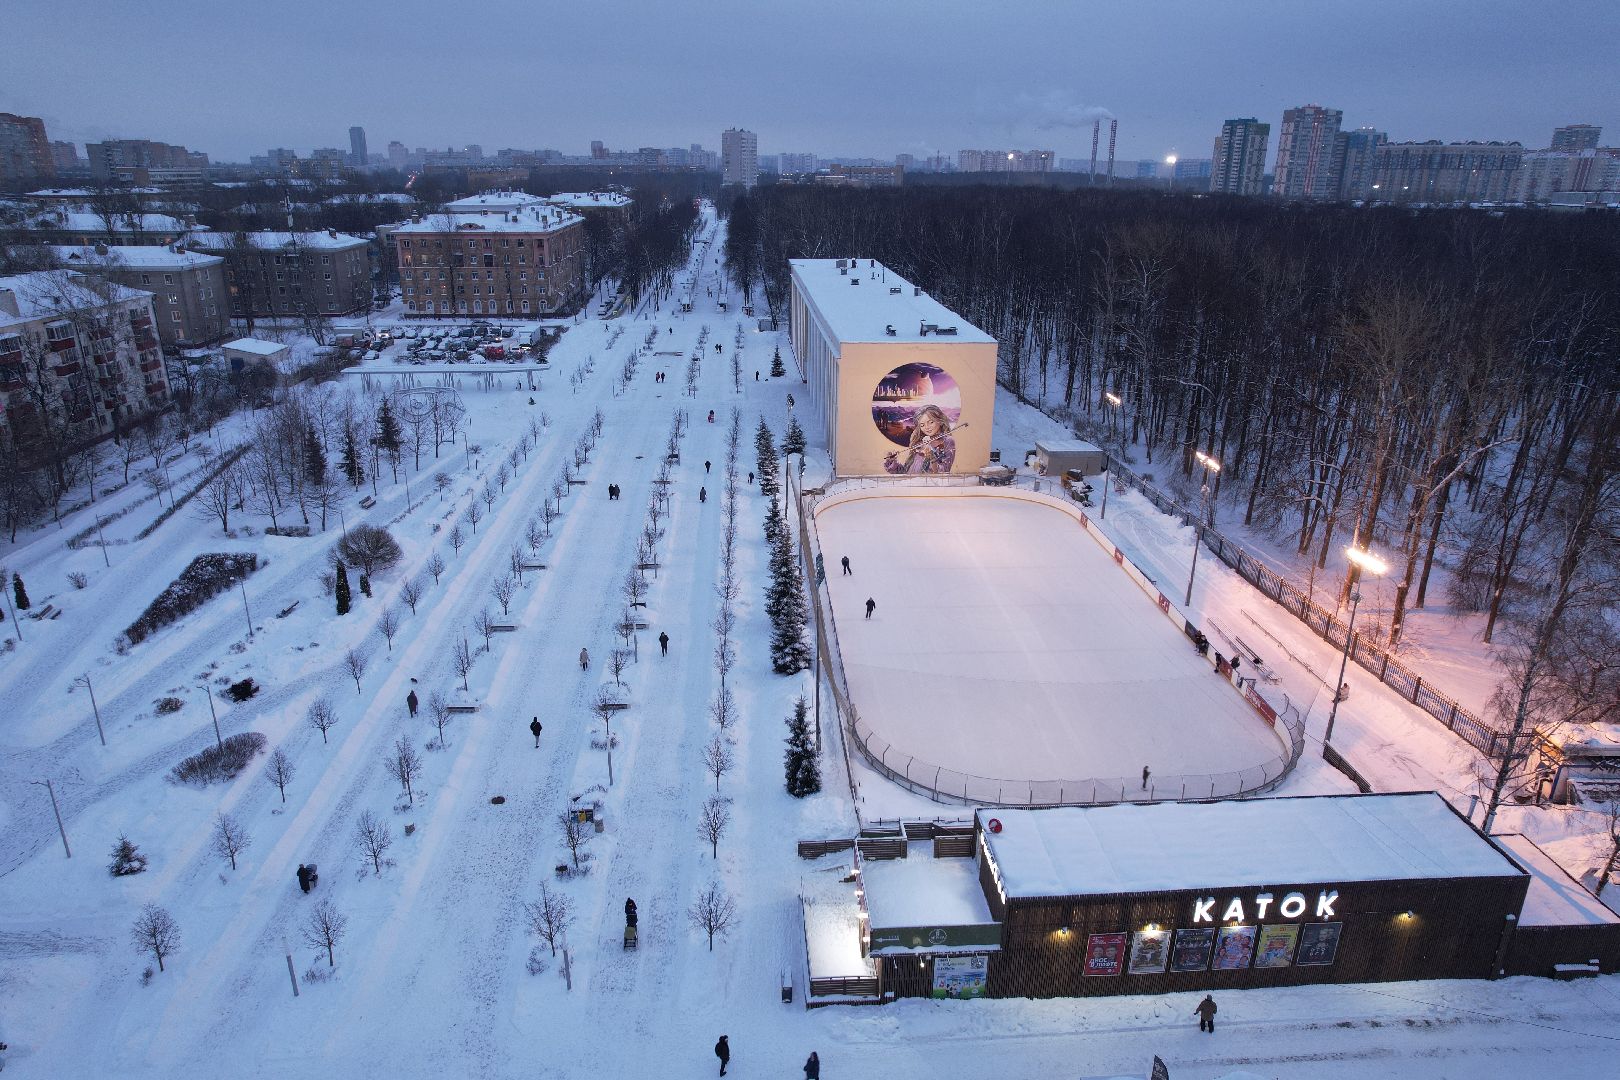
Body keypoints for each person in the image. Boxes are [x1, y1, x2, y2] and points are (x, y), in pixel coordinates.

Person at [883, 404, 956, 475]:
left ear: (940, 421)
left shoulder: (947, 441)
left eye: (931, 422)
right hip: (911, 483)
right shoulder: (919, 443)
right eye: (922, 425)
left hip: (927, 483)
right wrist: (892, 461)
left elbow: (943, 472)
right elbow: (906, 472)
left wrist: (931, 456)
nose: (927, 427)